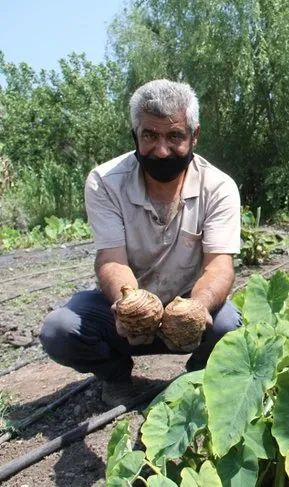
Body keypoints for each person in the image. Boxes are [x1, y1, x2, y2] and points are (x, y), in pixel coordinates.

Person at [40, 80, 242, 407]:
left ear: (194, 135)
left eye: (174, 136)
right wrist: (130, 304)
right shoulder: (105, 182)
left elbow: (219, 265)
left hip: (186, 305)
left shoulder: (218, 187)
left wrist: (200, 306)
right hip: (126, 308)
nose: (161, 150)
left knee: (228, 326)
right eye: (150, 135)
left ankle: (195, 373)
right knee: (59, 330)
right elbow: (112, 258)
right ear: (135, 134)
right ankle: (116, 374)